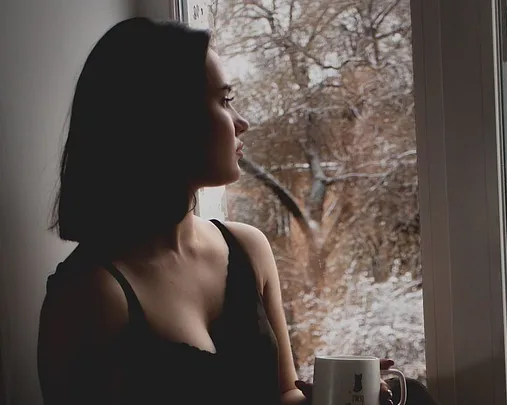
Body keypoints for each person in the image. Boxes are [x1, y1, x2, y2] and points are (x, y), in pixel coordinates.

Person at [36, 17, 409, 405]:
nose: (242, 122)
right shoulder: (90, 296)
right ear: (164, 120)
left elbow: (283, 394)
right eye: (224, 101)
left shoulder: (248, 247)